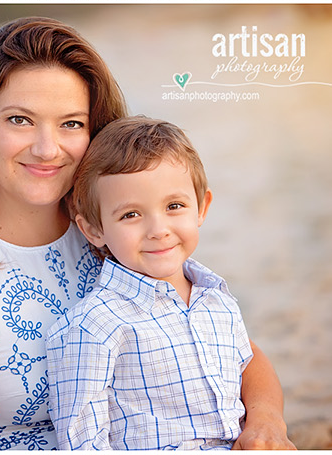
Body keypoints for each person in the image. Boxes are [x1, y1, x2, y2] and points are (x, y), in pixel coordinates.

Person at [0, 15, 292, 448]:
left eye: (71, 124)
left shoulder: (119, 225)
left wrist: (266, 421)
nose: (48, 149)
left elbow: (226, 347)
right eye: (20, 120)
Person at [49, 118, 251, 450]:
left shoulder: (217, 299)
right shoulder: (95, 326)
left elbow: (247, 384)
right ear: (94, 230)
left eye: (174, 206)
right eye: (131, 214)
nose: (158, 229)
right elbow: (83, 443)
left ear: (201, 208)